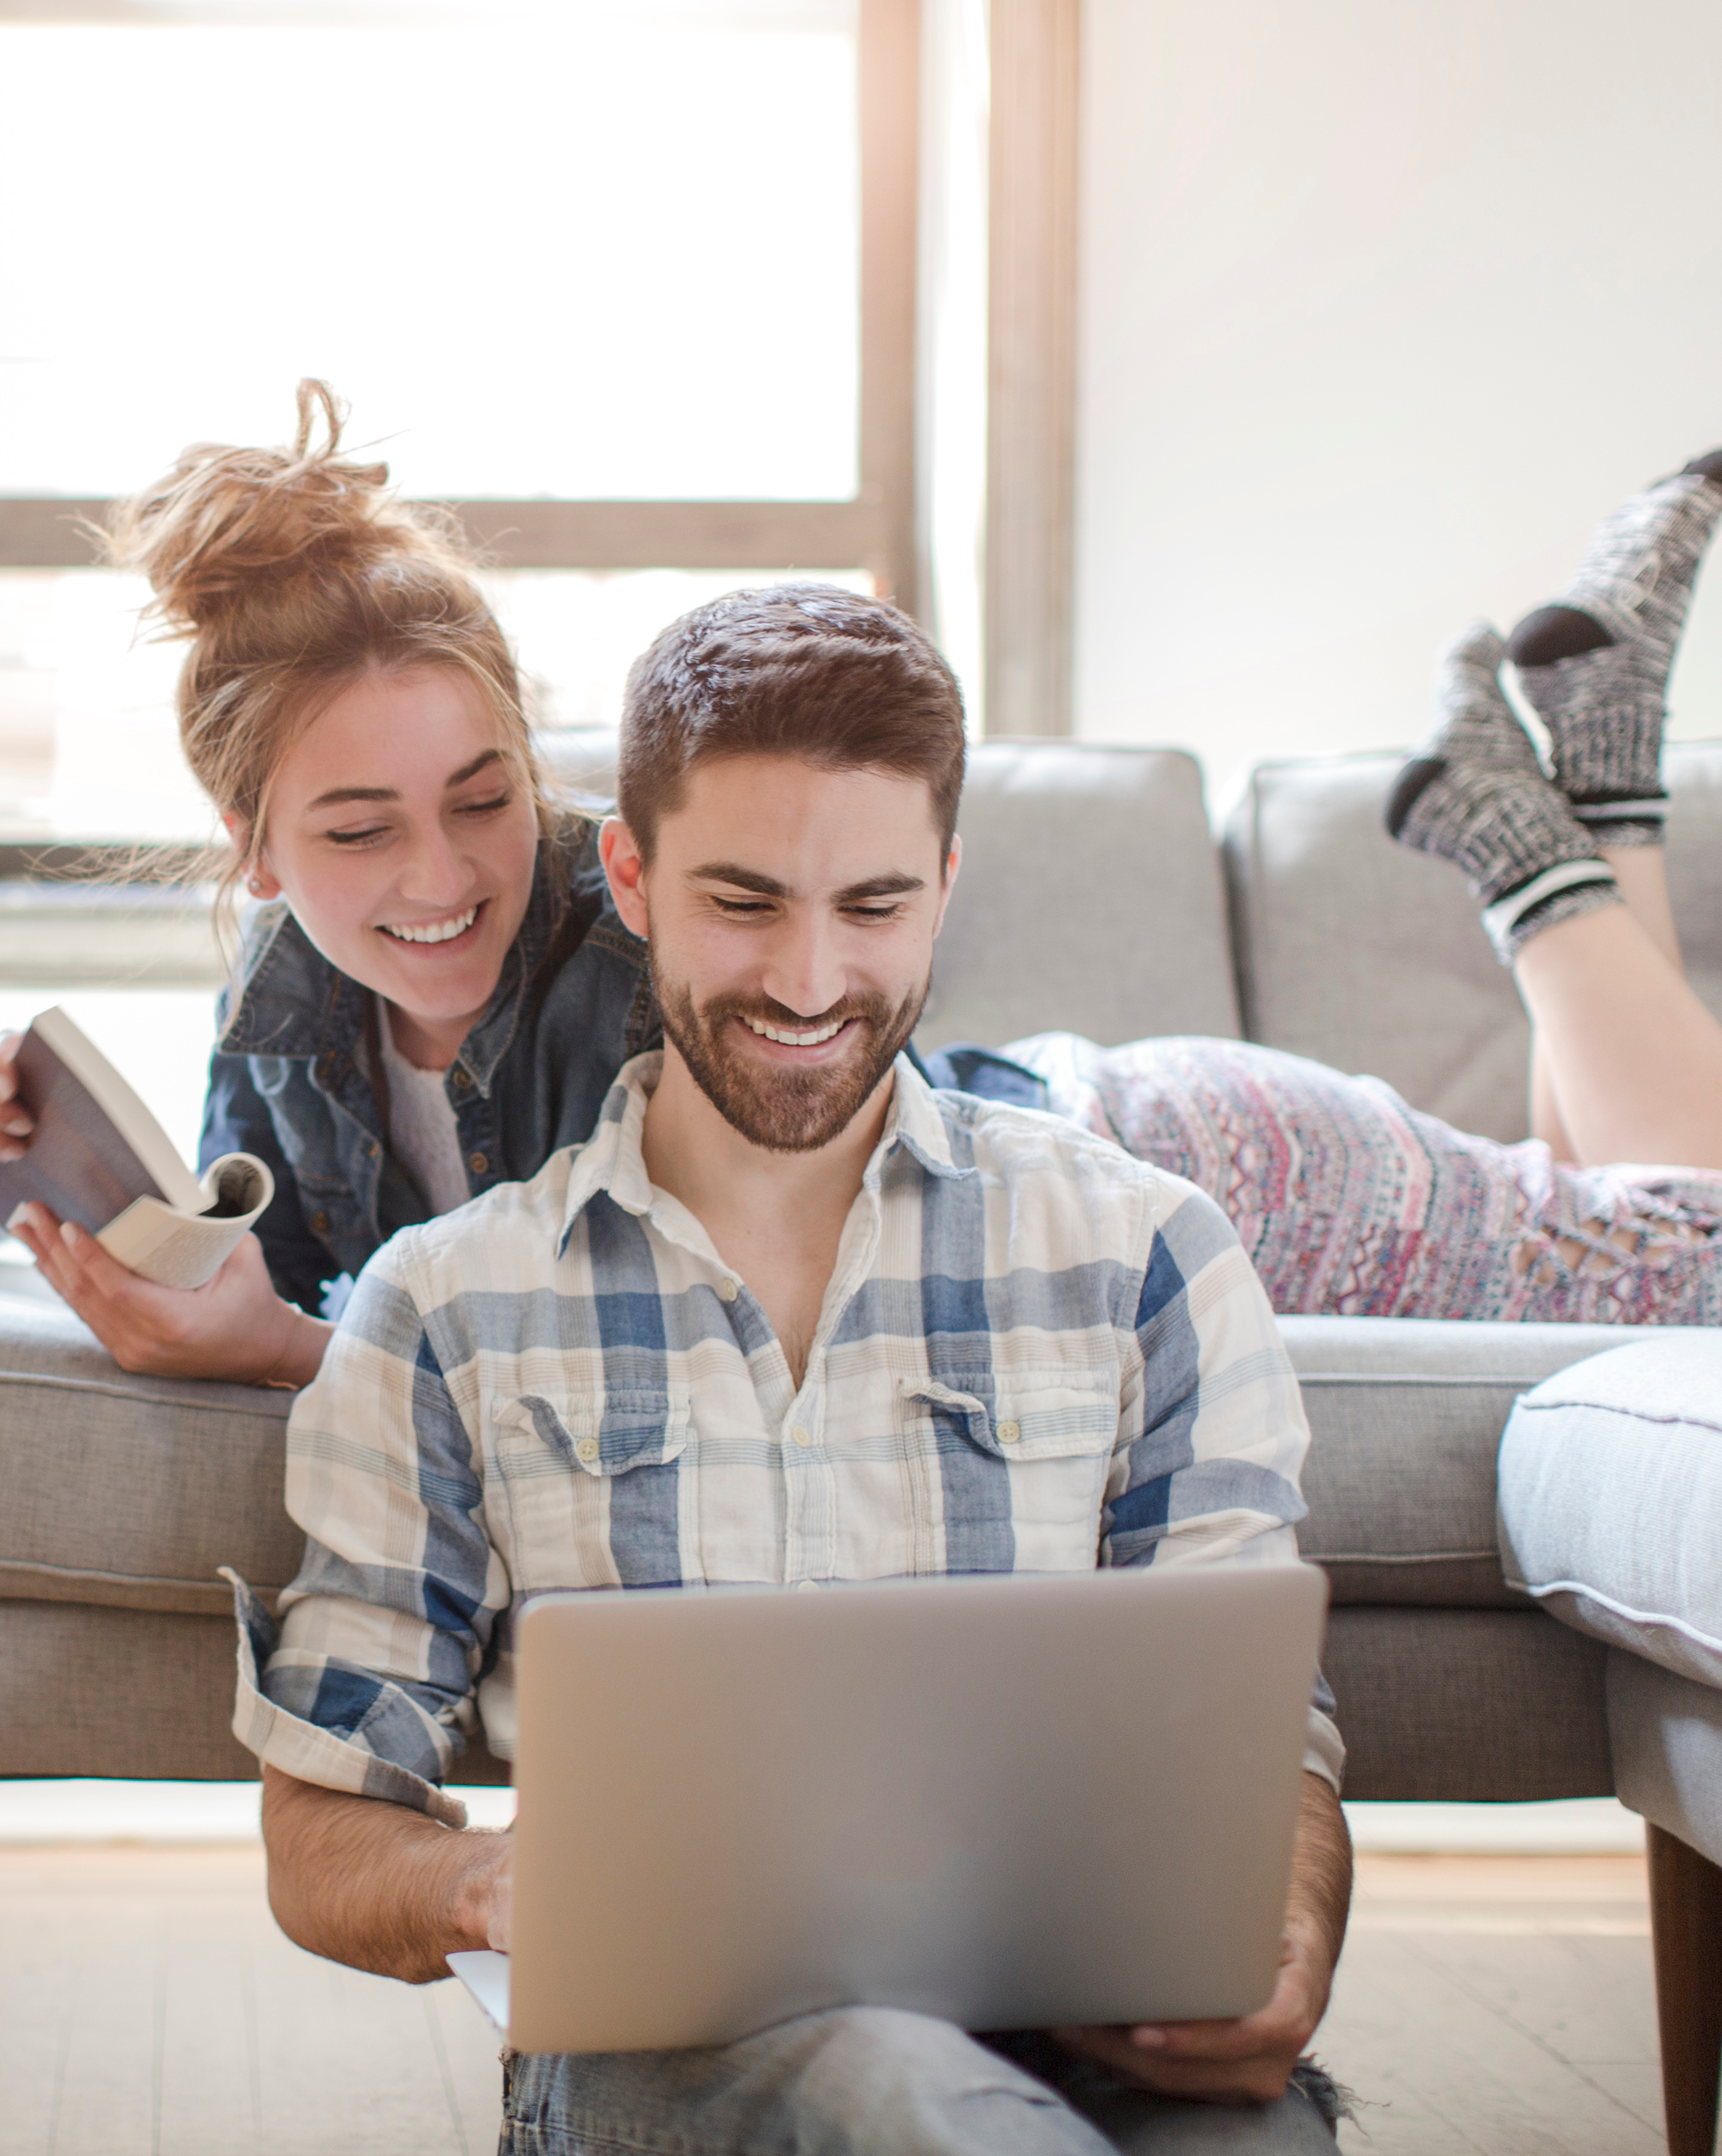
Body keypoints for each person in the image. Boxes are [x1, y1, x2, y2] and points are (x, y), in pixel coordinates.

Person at [0, 389, 1722, 1377]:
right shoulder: (284, 1022)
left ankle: (1529, 854)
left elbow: (566, 1347)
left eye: (483, 797)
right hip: (1101, 1160)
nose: (448, 876)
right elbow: (283, 1264)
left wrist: (281, 1351)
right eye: (356, 836)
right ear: (256, 857)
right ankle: (1604, 762)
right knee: (1640, 1273)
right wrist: (64, 1178)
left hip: (1199, 1173)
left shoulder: (648, 953)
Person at [235, 590, 1349, 2149]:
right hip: (681, 2053)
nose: (813, 984)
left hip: (1098, 2045)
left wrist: (1284, 1949)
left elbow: (1266, 1746)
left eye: (875, 908)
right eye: (746, 904)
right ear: (628, 875)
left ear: (948, 887)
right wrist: (486, 1884)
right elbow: (323, 1829)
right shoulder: (449, 1306)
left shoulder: (1147, 1252)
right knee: (887, 2095)